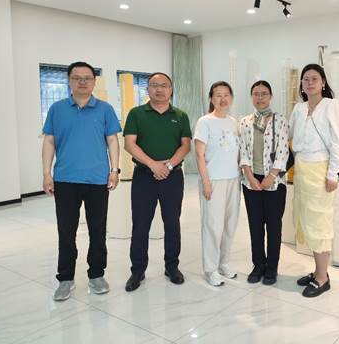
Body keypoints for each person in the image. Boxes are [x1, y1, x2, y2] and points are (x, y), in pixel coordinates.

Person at [42, 61, 121, 301]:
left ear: (94, 82)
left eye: (87, 78)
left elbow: (112, 140)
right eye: (77, 78)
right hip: (65, 179)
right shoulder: (57, 109)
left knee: (98, 230)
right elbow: (49, 141)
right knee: (66, 231)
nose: (82, 82)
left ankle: (96, 274)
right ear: (69, 81)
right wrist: (46, 173)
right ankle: (65, 278)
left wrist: (114, 170)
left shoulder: (105, 109)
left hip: (97, 180)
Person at [123, 72, 192, 292]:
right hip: (144, 177)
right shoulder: (136, 113)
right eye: (154, 85)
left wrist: (168, 166)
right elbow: (129, 144)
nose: (159, 89)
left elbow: (186, 146)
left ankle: (172, 267)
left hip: (173, 177)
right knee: (140, 224)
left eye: (164, 85)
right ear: (147, 89)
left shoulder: (180, 115)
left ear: (171, 90)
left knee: (172, 223)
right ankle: (137, 270)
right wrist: (153, 165)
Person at [289, 63, 339, 298]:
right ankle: (317, 271)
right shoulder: (299, 108)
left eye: (314, 78)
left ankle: (323, 278)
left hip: (321, 169)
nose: (309, 82)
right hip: (302, 169)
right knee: (306, 219)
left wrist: (332, 174)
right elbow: (289, 135)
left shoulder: (332, 106)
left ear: (323, 82)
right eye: (305, 79)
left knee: (319, 222)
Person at [239, 80, 289, 285]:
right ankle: (258, 265)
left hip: (274, 181)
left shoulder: (280, 120)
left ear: (271, 97)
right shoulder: (244, 122)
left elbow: (283, 150)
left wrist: (271, 176)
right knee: (255, 225)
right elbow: (242, 151)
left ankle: (272, 268)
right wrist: (250, 176)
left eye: (264, 94)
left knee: (274, 226)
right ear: (251, 96)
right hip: (251, 181)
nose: (260, 98)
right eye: (256, 94)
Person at [194, 81, 240, 287]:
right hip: (213, 180)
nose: (223, 99)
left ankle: (224, 263)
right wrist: (206, 182)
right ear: (211, 99)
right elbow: (199, 154)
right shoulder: (205, 122)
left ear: (231, 98)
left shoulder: (233, 122)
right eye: (218, 95)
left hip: (233, 180)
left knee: (230, 224)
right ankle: (210, 268)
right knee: (213, 225)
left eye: (226, 95)